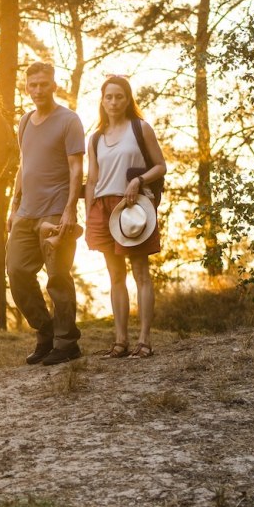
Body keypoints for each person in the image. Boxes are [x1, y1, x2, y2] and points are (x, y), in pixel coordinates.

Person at [7, 60, 85, 365]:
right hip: (26, 212)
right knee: (17, 272)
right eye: (32, 85)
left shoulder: (69, 120)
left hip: (55, 213)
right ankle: (46, 331)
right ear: (26, 88)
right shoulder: (25, 122)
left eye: (43, 84)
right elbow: (23, 166)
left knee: (57, 278)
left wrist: (70, 210)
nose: (38, 90)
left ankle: (67, 344)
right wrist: (13, 207)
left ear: (54, 84)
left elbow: (76, 167)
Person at [84, 74, 167, 358]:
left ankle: (144, 340)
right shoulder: (94, 138)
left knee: (141, 273)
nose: (114, 101)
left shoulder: (140, 128)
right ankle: (120, 341)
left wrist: (138, 180)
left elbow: (161, 166)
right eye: (109, 96)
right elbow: (92, 179)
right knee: (115, 275)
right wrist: (87, 216)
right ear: (102, 100)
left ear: (127, 99)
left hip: (131, 206)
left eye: (119, 96)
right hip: (101, 207)